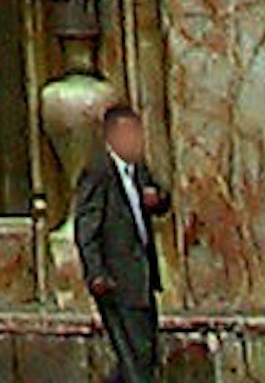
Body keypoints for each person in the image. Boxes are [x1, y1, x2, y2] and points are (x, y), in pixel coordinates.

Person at [69, 105, 169, 383]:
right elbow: (86, 227)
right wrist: (96, 272)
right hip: (117, 281)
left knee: (143, 354)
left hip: (142, 278)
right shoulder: (98, 171)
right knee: (134, 356)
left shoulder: (138, 169)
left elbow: (162, 199)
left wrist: (157, 199)